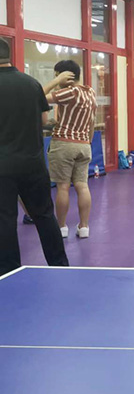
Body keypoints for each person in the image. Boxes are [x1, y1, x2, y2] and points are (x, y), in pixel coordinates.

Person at [0, 37, 69, 275]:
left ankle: (9, 271)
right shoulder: (31, 84)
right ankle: (60, 266)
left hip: (2, 167)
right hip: (33, 164)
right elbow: (44, 120)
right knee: (44, 215)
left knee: (5, 220)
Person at [42, 59, 98, 238]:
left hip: (64, 144)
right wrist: (87, 142)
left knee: (63, 187)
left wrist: (56, 82)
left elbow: (38, 96)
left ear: (66, 76)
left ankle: (61, 227)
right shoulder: (90, 92)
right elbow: (92, 122)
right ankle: (84, 227)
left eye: (58, 76)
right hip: (84, 144)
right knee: (82, 186)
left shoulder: (69, 92)